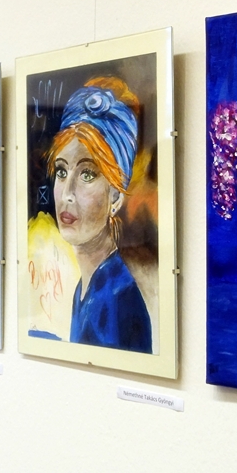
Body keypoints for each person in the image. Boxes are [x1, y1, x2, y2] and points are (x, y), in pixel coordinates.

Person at [46, 76, 152, 353]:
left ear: (115, 197)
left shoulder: (117, 299)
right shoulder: (88, 288)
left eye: (87, 174)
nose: (67, 193)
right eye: (61, 171)